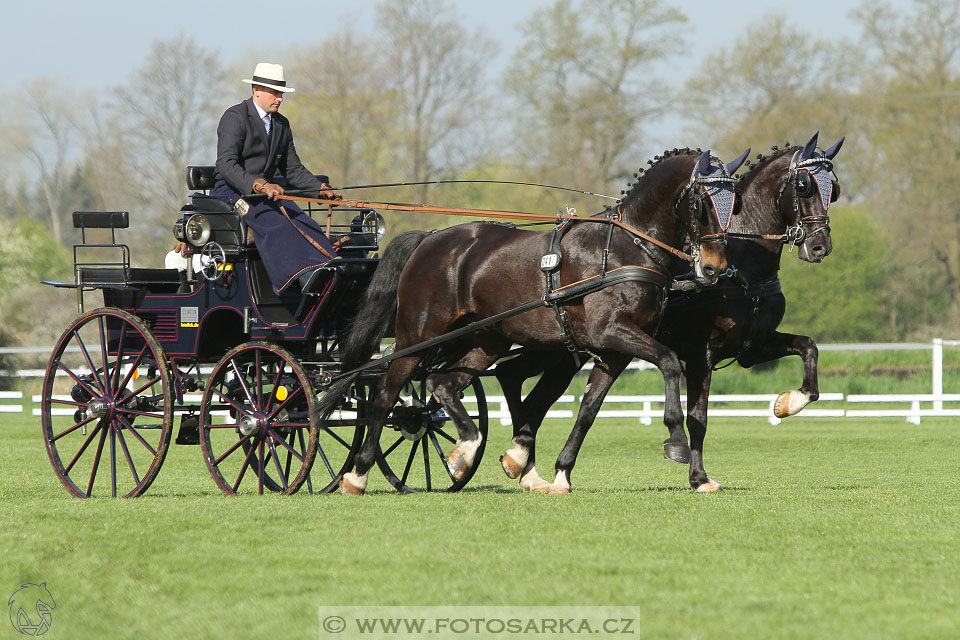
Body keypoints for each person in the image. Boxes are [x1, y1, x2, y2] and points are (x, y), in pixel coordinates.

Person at [210, 62, 342, 293]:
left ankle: (332, 270)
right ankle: (300, 277)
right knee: (275, 223)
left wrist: (319, 188)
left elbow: (292, 169)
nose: (279, 98)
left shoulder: (281, 124)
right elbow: (226, 164)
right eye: (275, 92)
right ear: (256, 90)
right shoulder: (235, 117)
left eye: (281, 93)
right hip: (232, 192)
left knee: (304, 222)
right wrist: (256, 183)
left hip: (266, 193)